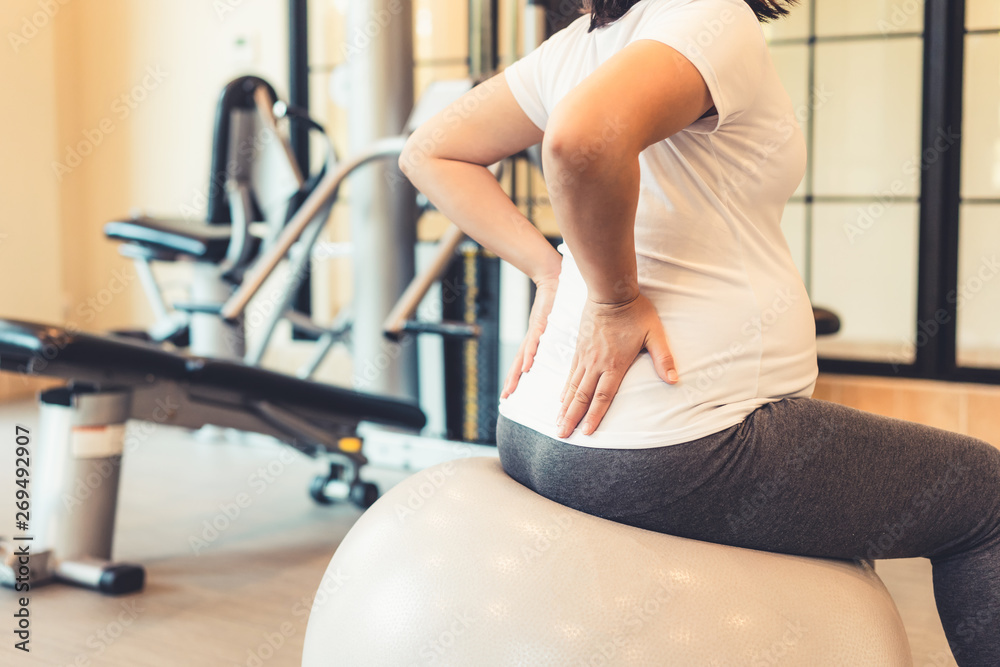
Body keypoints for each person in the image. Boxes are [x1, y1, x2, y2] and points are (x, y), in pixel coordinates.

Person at [399, 0, 1000, 663]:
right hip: (678, 442)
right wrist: (612, 299)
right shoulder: (709, 15)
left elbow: (430, 149)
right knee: (986, 499)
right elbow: (582, 138)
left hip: (536, 434)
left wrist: (552, 271)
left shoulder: (576, 47)